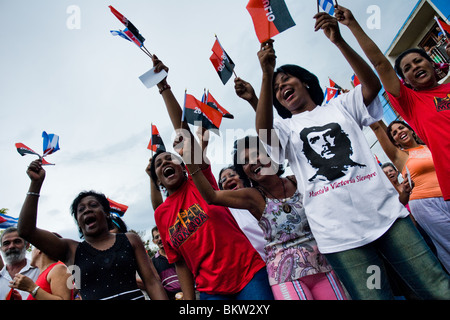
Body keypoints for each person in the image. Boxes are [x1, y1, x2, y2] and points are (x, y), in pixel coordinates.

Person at [253, 8, 450, 299]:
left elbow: (371, 85)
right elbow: (264, 132)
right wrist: (266, 74)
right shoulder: (286, 129)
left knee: (437, 288)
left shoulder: (340, 105)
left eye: (287, 81)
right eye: (277, 89)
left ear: (305, 82)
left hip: (388, 218)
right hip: (339, 237)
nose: (282, 87)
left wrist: (340, 41)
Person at [149, 55, 272, 300]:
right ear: (159, 181)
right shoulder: (161, 214)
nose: (164, 163)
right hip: (210, 291)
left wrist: (163, 87)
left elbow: (182, 131)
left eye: (169, 159)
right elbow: (180, 262)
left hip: (248, 275)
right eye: (158, 165)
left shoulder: (199, 180)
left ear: (184, 166)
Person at [179, 132, 347, 300]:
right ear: (244, 173)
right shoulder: (252, 196)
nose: (252, 162)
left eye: (255, 154)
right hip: (286, 277)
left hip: (324, 268)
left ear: (270, 153)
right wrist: (190, 159)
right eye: (244, 162)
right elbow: (212, 197)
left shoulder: (298, 181)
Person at [335, 7, 450, 202]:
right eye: (407, 68)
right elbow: (380, 64)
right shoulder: (411, 102)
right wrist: (352, 24)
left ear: (431, 63)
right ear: (405, 80)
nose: (415, 67)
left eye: (418, 61)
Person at [17, 159, 168, 300]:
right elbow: (26, 231)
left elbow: (152, 282)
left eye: (93, 205)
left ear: (107, 214)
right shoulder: (71, 249)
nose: (87, 210)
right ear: (78, 222)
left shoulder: (130, 239)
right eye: (81, 210)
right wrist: (35, 184)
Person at [381, 120, 450, 273]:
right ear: (394, 142)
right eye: (394, 133)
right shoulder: (401, 157)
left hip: (447, 195)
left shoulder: (430, 145)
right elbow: (377, 127)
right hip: (426, 204)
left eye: (401, 127)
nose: (399, 132)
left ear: (411, 130)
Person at [218, 165, 266, 259]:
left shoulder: (261, 194)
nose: (228, 180)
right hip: (261, 266)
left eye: (232, 175)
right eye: (223, 180)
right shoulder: (228, 214)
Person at [9, 233, 73, 300]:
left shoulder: (58, 269)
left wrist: (31, 288)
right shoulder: (45, 273)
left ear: (39, 249)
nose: (32, 252)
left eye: (33, 248)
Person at [0, 227, 40, 300]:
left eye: (17, 241)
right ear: (1, 249)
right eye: (6, 243)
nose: (11, 246)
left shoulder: (39, 271)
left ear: (27, 245)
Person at [151, 226, 182, 300]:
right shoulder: (153, 262)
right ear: (154, 241)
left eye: (161, 235)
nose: (160, 239)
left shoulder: (178, 253)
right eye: (156, 237)